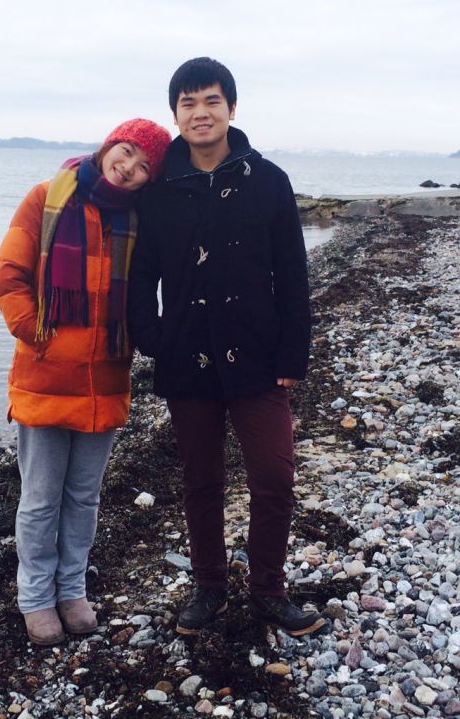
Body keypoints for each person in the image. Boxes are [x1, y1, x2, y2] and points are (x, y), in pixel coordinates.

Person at [127, 57, 324, 637]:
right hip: (187, 357)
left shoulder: (268, 180)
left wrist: (293, 353)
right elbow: (140, 277)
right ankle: (209, 586)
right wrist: (153, 338)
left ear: (231, 108)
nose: (200, 112)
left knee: (274, 478)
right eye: (187, 103)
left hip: (258, 356)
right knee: (201, 481)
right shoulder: (160, 191)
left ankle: (269, 590)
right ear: (174, 115)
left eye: (211, 100)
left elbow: (292, 274)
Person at [0, 118, 171, 646]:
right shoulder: (46, 198)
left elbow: (151, 290)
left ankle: (72, 590)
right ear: (110, 144)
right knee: (40, 499)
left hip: (105, 381)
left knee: (84, 498)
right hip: (45, 379)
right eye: (127, 151)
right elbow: (8, 276)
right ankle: (35, 597)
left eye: (144, 166)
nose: (129, 167)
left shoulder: (137, 220)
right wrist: (38, 337)